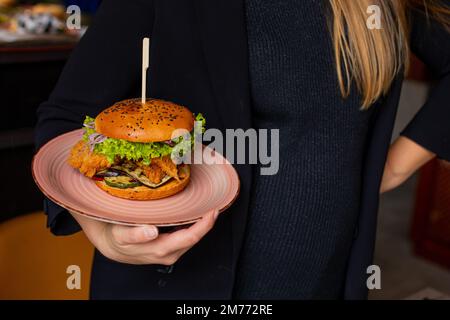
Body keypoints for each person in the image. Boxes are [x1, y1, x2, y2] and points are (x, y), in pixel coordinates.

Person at [35, 0, 450, 299]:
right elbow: (66, 113)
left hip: (324, 276)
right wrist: (101, 232)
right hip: (177, 286)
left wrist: (391, 167)